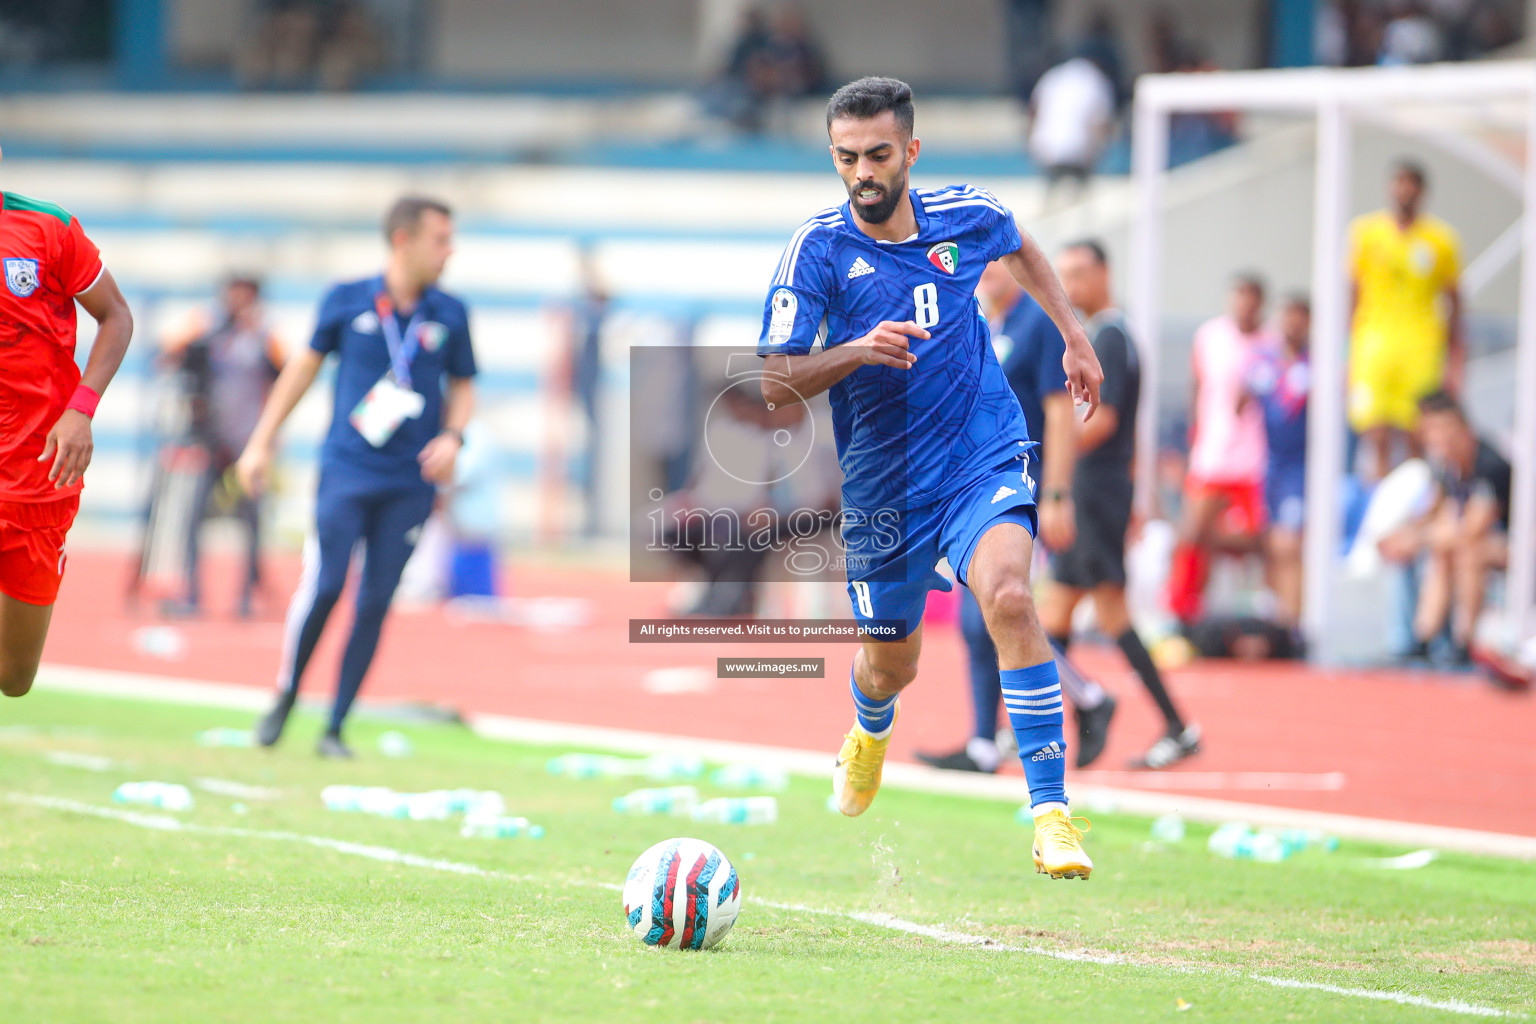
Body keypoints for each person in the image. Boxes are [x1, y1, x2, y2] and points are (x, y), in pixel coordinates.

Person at [757, 77, 1104, 879]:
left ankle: (1050, 813)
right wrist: (855, 350)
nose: (863, 173)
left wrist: (1073, 336)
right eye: (847, 158)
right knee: (892, 662)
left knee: (1011, 598)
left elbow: (1017, 239)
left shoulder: (965, 214)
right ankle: (871, 728)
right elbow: (774, 383)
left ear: (909, 152)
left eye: (878, 155)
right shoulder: (817, 251)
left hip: (981, 450)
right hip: (885, 486)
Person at [237, 196, 477, 757]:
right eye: (441, 238)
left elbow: (464, 384)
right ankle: (287, 694)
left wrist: (454, 436)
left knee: (376, 601)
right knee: (325, 584)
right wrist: (261, 441)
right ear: (404, 240)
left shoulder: (452, 312)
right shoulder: (346, 299)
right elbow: (302, 368)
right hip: (347, 470)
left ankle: (335, 727)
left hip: (410, 481)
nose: (450, 250)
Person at [915, 259, 1120, 774]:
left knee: (1000, 607)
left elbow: (1058, 411)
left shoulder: (1037, 322)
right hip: (979, 483)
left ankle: (1075, 703)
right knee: (988, 613)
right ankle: (995, 736)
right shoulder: (992, 323)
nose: (981, 275)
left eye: (991, 265)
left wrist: (1055, 492)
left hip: (1020, 482)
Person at [1038, 240, 1200, 770]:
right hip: (1100, 492)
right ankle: (1066, 722)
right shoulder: (1113, 335)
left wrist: (1047, 453)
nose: (1070, 286)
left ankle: (1152, 723)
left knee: (1095, 615)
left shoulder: (1107, 335)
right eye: (1063, 276)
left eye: (1080, 274)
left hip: (1090, 494)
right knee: (1057, 615)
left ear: (1105, 273)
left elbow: (1102, 421)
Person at [0, 169, 135, 698]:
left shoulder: (48, 229)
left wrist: (81, 409)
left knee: (14, 677)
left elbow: (116, 316)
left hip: (38, 475)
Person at [159, 274, 284, 617]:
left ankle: (246, 598)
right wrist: (204, 324)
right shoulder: (208, 331)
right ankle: (192, 594)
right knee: (194, 518)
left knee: (251, 523)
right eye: (233, 295)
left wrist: (270, 441)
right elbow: (169, 351)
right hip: (211, 441)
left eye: (245, 295)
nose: (238, 302)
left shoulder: (265, 337)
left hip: (249, 445)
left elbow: (283, 382)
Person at [1165, 274, 1275, 627]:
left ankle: (1268, 613)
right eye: (1238, 297)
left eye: (1250, 298)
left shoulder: (1271, 343)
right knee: (1193, 533)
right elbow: (1197, 387)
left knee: (1258, 539)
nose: (1244, 305)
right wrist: (1194, 437)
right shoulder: (1211, 336)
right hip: (1211, 456)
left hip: (1254, 461)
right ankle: (1183, 611)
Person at [1348, 160, 1463, 479]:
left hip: (1421, 345)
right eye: (1398, 182)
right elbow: (1353, 292)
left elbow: (1455, 302)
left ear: (1423, 191)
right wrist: (1348, 350)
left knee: (1418, 433)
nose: (1404, 190)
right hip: (1374, 343)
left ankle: (1415, 508)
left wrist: (1455, 359)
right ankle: (1378, 509)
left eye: (1411, 183)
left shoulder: (1441, 240)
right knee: (1377, 433)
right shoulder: (1366, 233)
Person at [1378, 391, 1510, 665]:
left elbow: (1473, 527)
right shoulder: (1447, 467)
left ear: (1462, 428)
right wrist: (1405, 536)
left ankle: (1466, 643)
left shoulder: (1489, 463)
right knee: (1441, 551)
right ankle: (1422, 640)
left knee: (1466, 552)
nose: (1437, 440)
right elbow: (1434, 513)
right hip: (1474, 542)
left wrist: (1420, 540)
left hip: (1514, 545)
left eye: (1442, 430)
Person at [1246, 295, 1311, 640]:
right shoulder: (1266, 362)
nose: (1293, 323)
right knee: (1269, 543)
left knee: (1288, 542)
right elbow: (1241, 404)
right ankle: (1278, 617)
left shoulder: (1315, 364)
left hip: (1299, 468)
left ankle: (1294, 624)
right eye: (1288, 315)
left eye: (1300, 316)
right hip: (1268, 464)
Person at [1027, 50, 1115, 204]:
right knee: (1081, 200)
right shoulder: (1096, 80)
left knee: (1052, 194)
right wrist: (1099, 151)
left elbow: (1033, 111)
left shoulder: (1053, 76)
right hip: (1077, 147)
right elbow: (1099, 123)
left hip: (1045, 145)